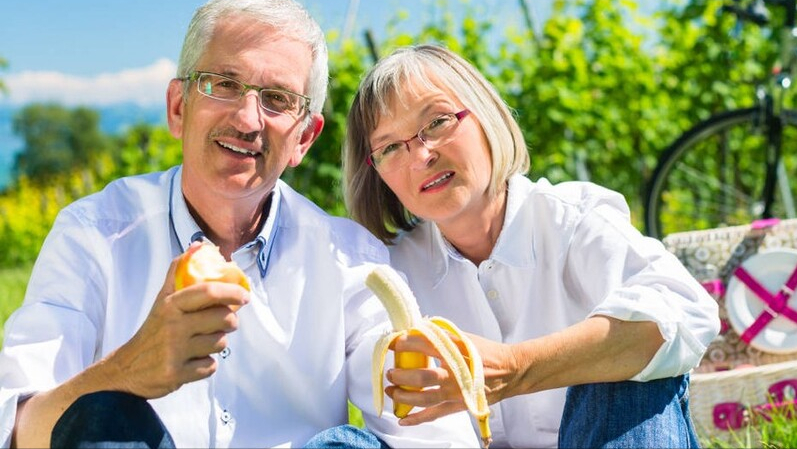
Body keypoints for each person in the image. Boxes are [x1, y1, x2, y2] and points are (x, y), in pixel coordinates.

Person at [0, 4, 480, 448]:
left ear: (304, 140)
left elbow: (433, 434)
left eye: (277, 99)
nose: (248, 119)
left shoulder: (350, 260)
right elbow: (18, 428)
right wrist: (128, 370)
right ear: (178, 107)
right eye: (223, 84)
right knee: (102, 417)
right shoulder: (94, 234)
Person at [342, 44, 721, 448]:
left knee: (621, 377)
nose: (420, 155)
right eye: (390, 148)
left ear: (485, 118)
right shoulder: (391, 272)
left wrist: (514, 368)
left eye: (437, 121)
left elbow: (687, 311)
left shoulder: (572, 219)